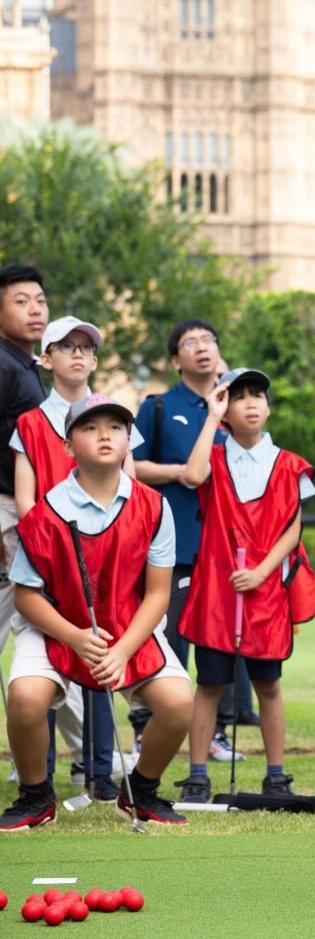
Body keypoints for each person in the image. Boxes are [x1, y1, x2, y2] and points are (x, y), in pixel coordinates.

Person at [0, 394, 193, 830]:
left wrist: (122, 651)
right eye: (89, 427)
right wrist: (75, 637)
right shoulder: (46, 513)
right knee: (27, 698)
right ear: (68, 446)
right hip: (56, 624)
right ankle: (36, 796)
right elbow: (28, 596)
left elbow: (157, 595)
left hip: (128, 626)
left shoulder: (153, 506)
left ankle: (140, 792)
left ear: (129, 441)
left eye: (115, 427)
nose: (104, 434)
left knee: (180, 702)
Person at [12, 316, 143, 801]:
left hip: (108, 557)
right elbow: (27, 502)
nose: (78, 354)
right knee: (43, 663)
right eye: (65, 346)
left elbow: (132, 489)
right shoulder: (28, 422)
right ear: (45, 359)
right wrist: (52, 548)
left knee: (102, 651)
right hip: (48, 560)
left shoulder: (116, 414)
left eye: (86, 347)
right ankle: (40, 774)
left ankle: (101, 773)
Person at [176, 367, 315, 803]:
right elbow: (193, 476)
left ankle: (276, 774)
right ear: (225, 409)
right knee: (210, 684)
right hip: (217, 593)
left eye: (258, 396)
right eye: (239, 397)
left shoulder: (290, 464)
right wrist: (210, 419)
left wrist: (261, 571)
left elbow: (293, 530)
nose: (251, 404)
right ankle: (197, 774)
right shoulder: (214, 457)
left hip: (265, 592)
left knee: (268, 684)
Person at [133, 319, 243, 761]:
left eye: (210, 341)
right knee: (167, 640)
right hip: (170, 545)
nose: (202, 348)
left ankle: (213, 733)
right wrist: (178, 473)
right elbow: (133, 465)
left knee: (217, 643)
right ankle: (149, 728)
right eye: (190, 343)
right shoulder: (157, 407)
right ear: (176, 360)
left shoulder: (236, 405)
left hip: (223, 548)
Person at [0, 265, 48, 659]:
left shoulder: (27, 366)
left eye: (40, 301)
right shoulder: (2, 364)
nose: (35, 310)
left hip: (25, 511)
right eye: (21, 302)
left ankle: (85, 724)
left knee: (41, 626)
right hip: (4, 511)